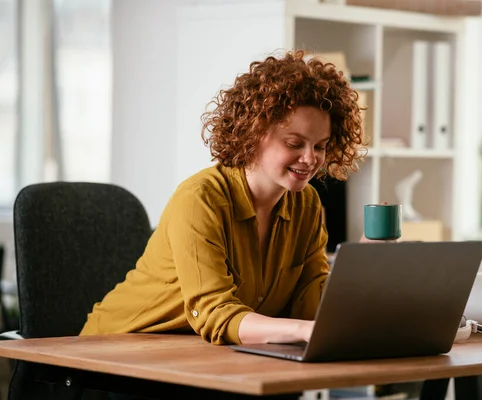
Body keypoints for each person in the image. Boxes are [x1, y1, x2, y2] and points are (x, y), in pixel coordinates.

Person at [80, 50, 366, 350]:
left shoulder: (306, 205)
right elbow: (216, 314)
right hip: (112, 354)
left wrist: (360, 271)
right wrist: (305, 331)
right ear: (254, 133)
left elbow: (307, 305)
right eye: (294, 143)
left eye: (320, 146)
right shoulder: (200, 199)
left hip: (194, 355)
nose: (310, 159)